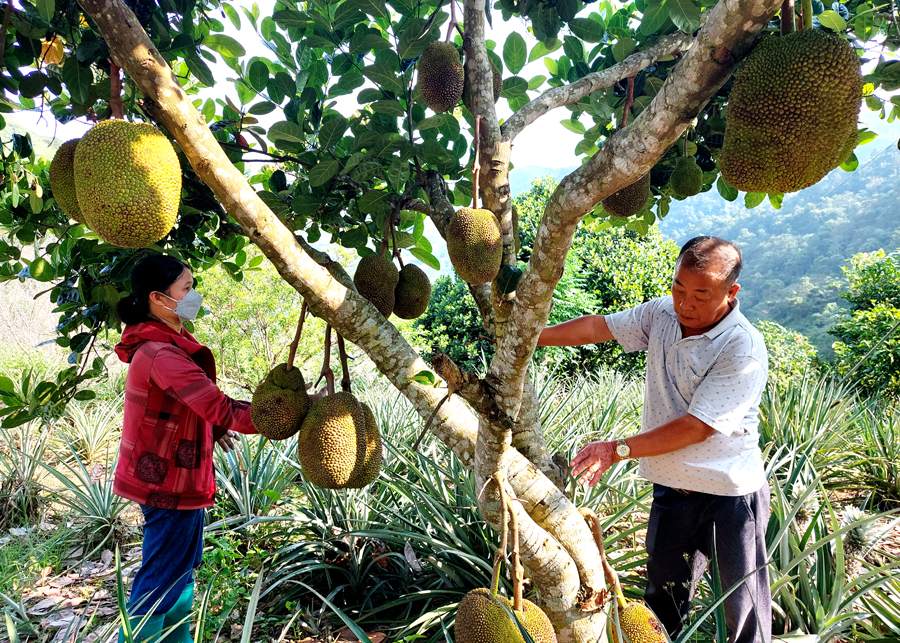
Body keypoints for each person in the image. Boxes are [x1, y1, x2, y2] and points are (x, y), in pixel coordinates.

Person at [538, 236, 771, 643]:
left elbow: (696, 426)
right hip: (672, 488)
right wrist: (533, 337)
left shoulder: (743, 347)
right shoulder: (662, 314)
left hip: (729, 497)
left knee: (743, 609)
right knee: (661, 603)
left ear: (730, 292)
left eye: (701, 294)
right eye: (679, 288)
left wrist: (616, 450)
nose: (685, 303)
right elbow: (600, 326)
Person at [113, 254, 258, 643]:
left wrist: (210, 430)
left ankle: (177, 638)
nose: (194, 296)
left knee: (179, 567)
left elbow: (188, 405)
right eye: (187, 289)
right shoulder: (160, 352)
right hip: (167, 482)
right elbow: (219, 405)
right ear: (159, 298)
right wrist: (295, 411)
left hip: (179, 474)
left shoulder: (172, 341)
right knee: (162, 573)